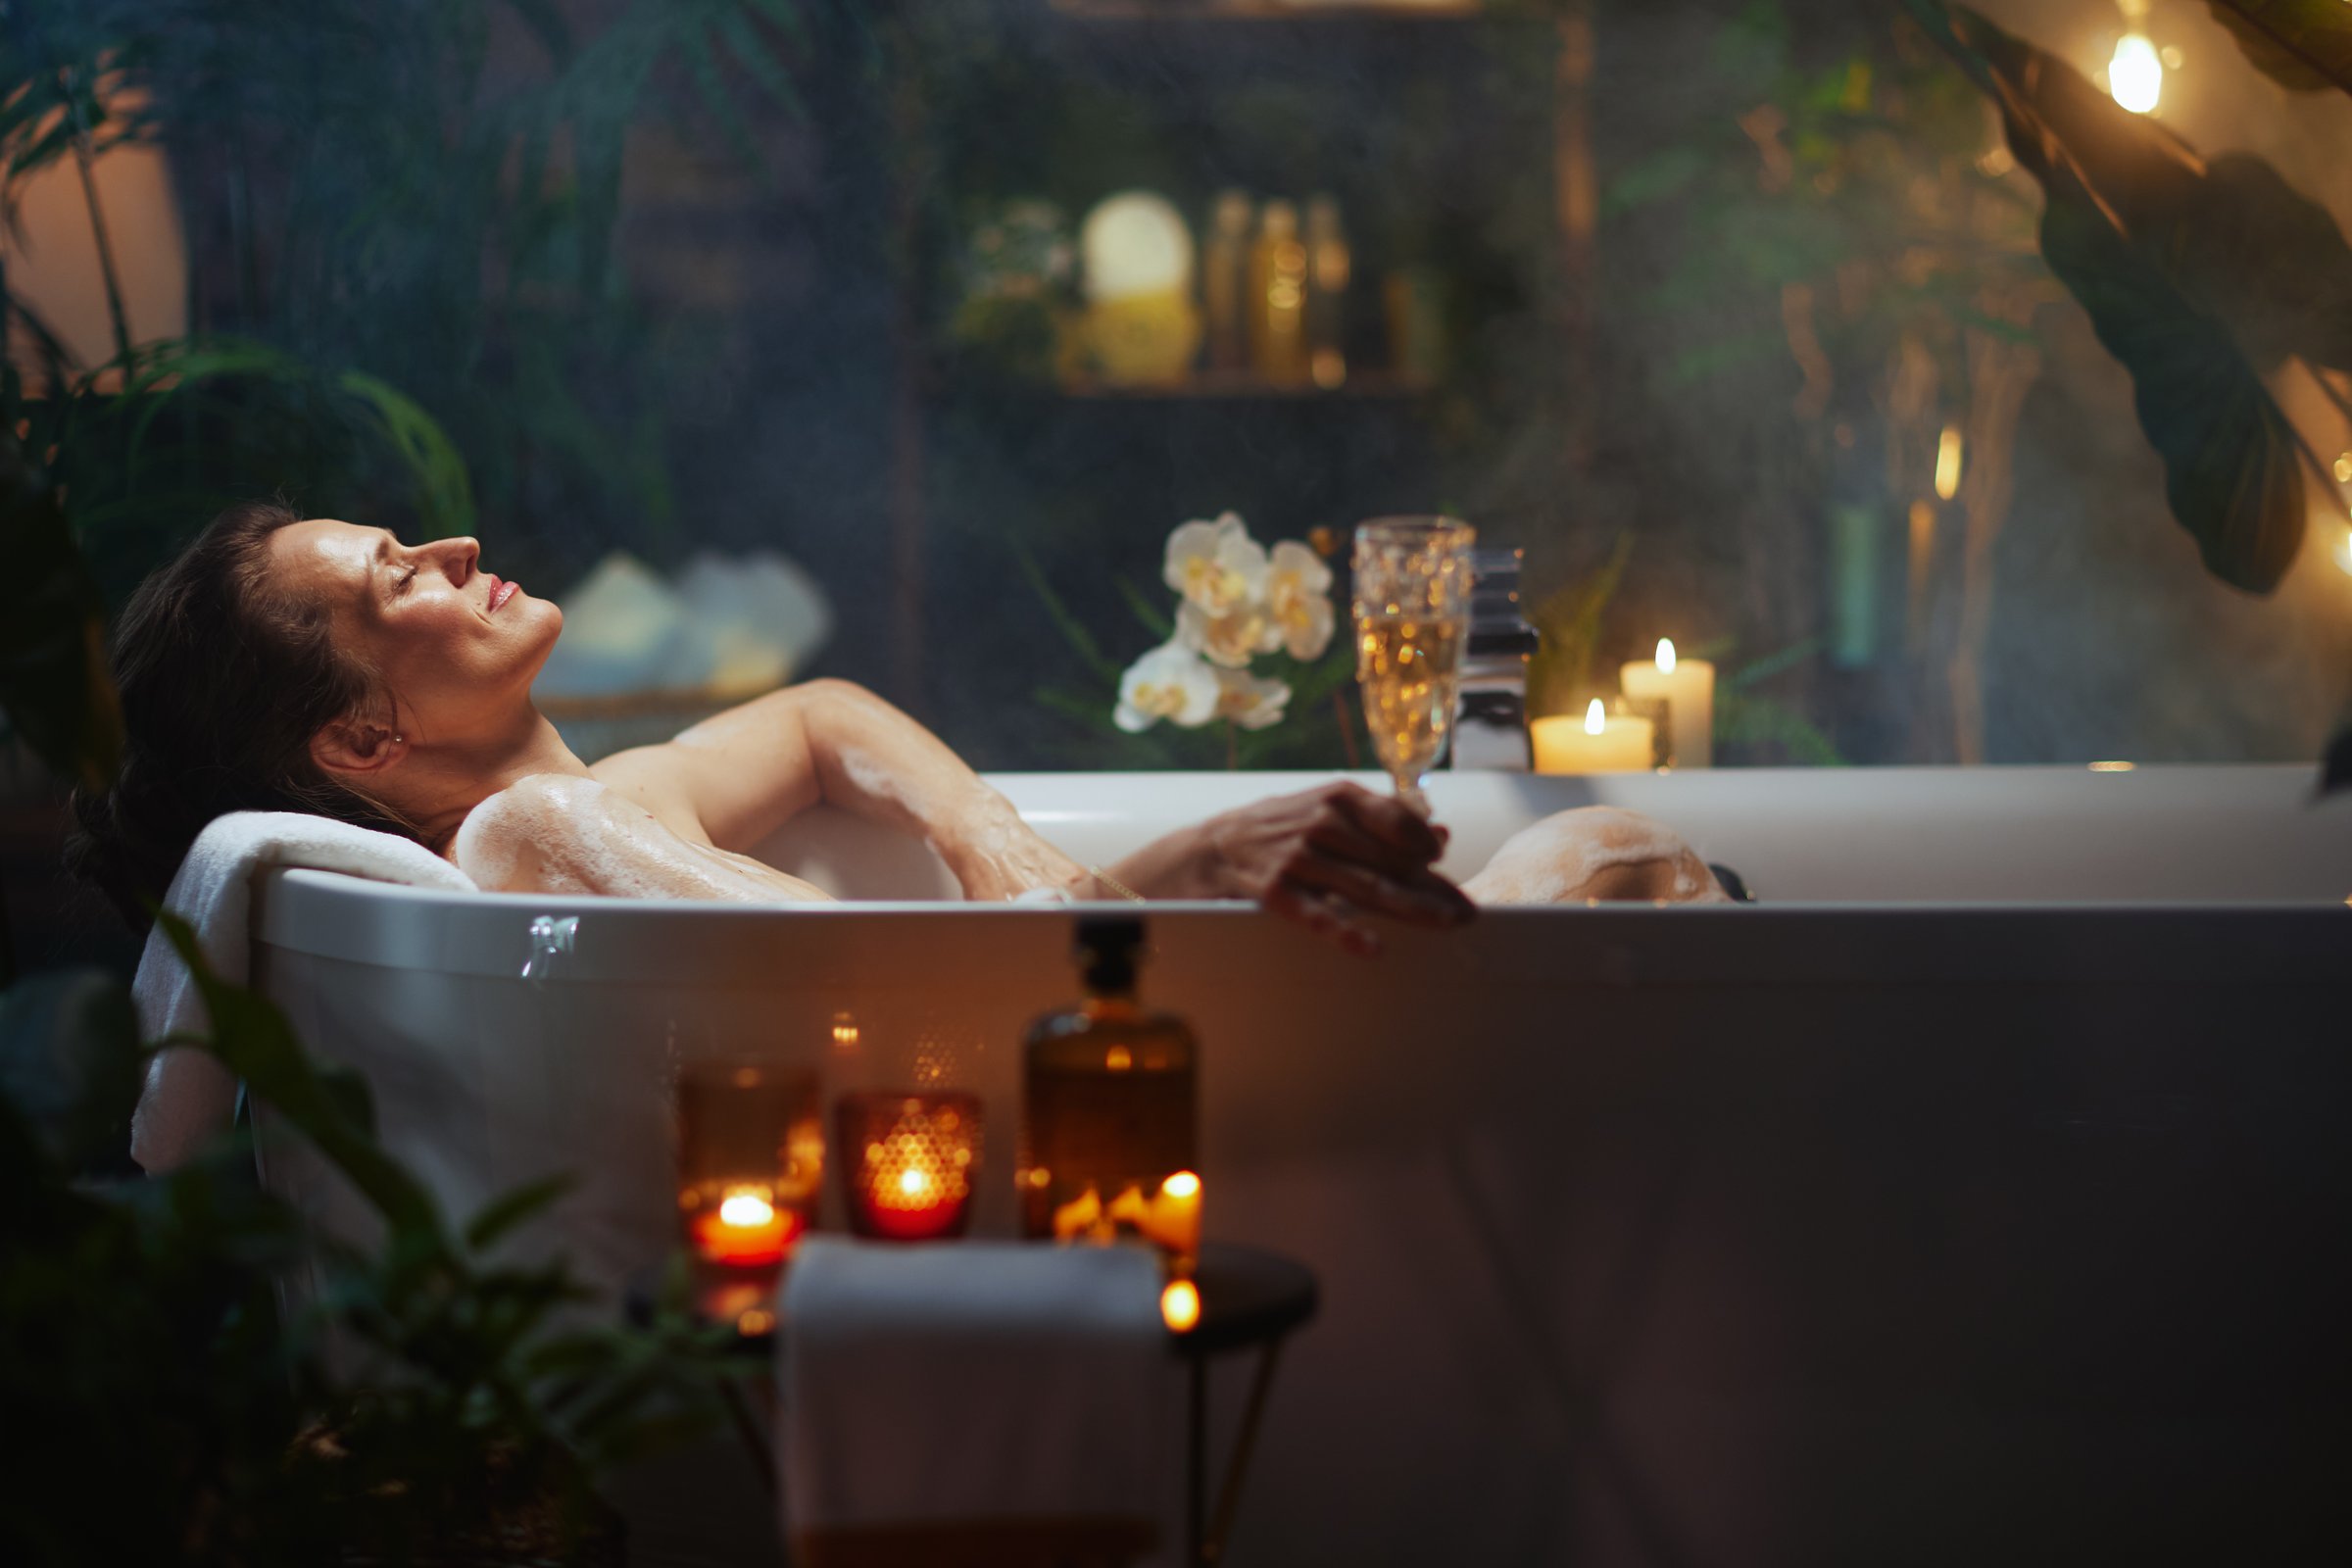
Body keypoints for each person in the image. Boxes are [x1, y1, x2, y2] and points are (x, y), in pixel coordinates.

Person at [68, 502, 1725, 952]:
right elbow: (893, 994)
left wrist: (1002, 837)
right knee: (1606, 856)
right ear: (363, 741)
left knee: (1616, 865)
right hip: (1107, 1127)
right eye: (394, 578)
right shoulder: (534, 832)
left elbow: (818, 715)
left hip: (1097, 1074)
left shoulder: (606, 796)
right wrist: (1188, 878)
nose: (450, 546)